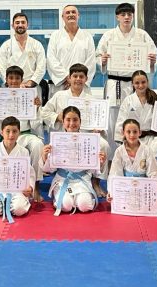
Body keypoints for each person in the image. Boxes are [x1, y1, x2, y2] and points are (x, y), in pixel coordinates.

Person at [40, 63, 110, 196]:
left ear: (86, 79)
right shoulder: (59, 95)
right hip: (64, 137)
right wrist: (57, 117)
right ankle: (60, 177)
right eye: (75, 76)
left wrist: (98, 129)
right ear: (69, 78)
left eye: (81, 76)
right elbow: (44, 112)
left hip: (84, 137)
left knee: (104, 145)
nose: (78, 79)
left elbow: (100, 123)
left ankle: (96, 182)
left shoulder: (91, 99)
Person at [96, 2, 157, 145]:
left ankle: (136, 152)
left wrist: (152, 60)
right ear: (117, 17)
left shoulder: (142, 35)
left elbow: (152, 55)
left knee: (136, 116)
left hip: (135, 83)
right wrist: (102, 60)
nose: (126, 17)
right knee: (114, 119)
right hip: (115, 84)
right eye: (123, 14)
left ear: (133, 16)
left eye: (129, 14)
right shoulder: (109, 36)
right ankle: (114, 156)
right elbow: (98, 57)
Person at [0, 66, 45, 201]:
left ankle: (35, 186)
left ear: (22, 79)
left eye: (17, 78)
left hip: (25, 134)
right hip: (7, 137)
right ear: (6, 79)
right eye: (11, 78)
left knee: (37, 144)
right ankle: (5, 185)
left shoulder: (28, 95)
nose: (14, 81)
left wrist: (36, 107)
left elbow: (35, 124)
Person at [40, 106, 106, 215]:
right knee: (66, 206)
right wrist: (45, 156)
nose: (71, 123)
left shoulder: (89, 141)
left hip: (82, 179)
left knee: (85, 206)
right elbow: (50, 170)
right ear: (63, 121)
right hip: (62, 179)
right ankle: (67, 199)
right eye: (68, 120)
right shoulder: (57, 140)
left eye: (75, 120)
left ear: (80, 121)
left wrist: (100, 162)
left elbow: (94, 172)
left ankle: (78, 199)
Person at [0, 116, 34, 222]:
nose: (11, 135)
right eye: (7, 131)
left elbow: (30, 172)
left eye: (14, 131)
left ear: (19, 133)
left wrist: (30, 187)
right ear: (1, 132)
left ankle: (6, 205)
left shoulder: (24, 152)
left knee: (20, 209)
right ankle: (2, 205)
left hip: (17, 189)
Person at [113, 69, 157, 156]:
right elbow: (121, 121)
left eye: (143, 82)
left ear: (148, 82)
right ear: (132, 84)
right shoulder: (128, 100)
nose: (140, 85)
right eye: (137, 83)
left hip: (154, 139)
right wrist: (120, 141)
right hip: (134, 139)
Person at [46, 4, 96, 95]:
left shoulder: (87, 36)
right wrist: (67, 78)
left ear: (78, 15)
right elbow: (51, 59)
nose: (71, 14)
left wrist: (77, 79)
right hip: (62, 84)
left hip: (81, 84)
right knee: (60, 108)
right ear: (62, 17)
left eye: (73, 12)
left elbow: (91, 61)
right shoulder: (55, 35)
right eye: (67, 12)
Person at [0, 12, 46, 96]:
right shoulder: (6, 46)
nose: (20, 25)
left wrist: (30, 83)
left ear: (28, 25)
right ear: (12, 25)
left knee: (34, 108)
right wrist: (12, 83)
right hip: (11, 87)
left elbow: (41, 67)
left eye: (23, 22)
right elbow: (2, 68)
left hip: (31, 87)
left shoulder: (36, 45)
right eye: (17, 22)